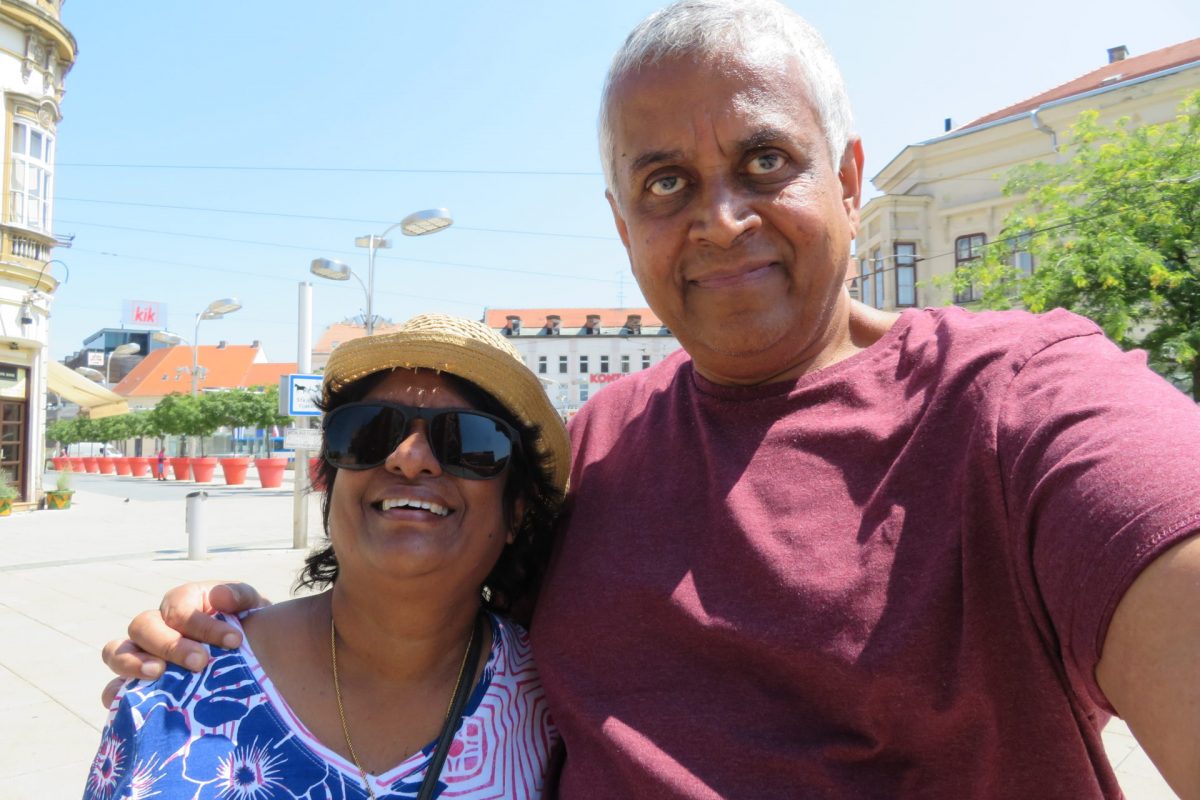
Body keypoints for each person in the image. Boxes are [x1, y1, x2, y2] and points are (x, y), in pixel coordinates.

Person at [102, 2, 1200, 798]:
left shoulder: (1014, 399)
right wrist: (231, 623)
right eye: (665, 181)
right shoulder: (598, 449)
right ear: (623, 225)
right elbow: (421, 605)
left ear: (853, 178)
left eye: (766, 159)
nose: (719, 219)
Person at [87, 314, 568, 799]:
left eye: (470, 440)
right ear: (329, 482)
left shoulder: (561, 701)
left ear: (516, 513)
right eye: (369, 432)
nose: (408, 456)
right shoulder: (180, 682)